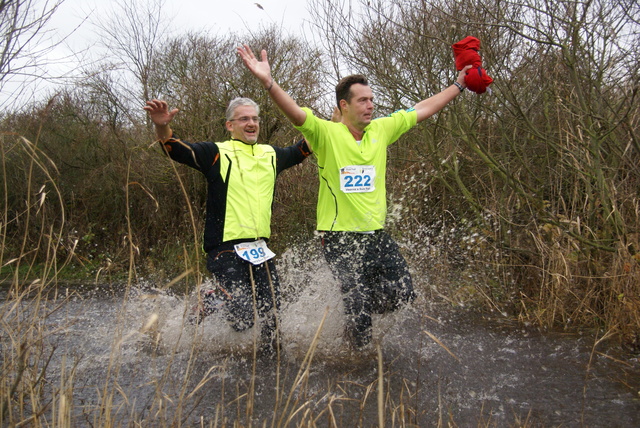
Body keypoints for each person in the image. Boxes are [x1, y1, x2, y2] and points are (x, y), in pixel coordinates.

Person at [238, 44, 472, 349]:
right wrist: (268, 82)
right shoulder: (326, 133)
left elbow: (423, 108)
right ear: (344, 106)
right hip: (338, 238)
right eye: (362, 100)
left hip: (375, 235)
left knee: (402, 294)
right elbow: (295, 113)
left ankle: (350, 320)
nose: (370, 105)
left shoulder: (382, 130)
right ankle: (355, 359)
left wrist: (458, 85)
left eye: (372, 100)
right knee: (359, 306)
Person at [144, 97, 311, 355]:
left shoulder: (271, 155)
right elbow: (174, 148)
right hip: (225, 249)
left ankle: (271, 365)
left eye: (255, 118)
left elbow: (304, 148)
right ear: (230, 125)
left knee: (272, 313)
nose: (251, 123)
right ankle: (208, 299)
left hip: (259, 248)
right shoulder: (216, 153)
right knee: (242, 317)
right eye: (244, 119)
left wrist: (330, 125)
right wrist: (162, 127)